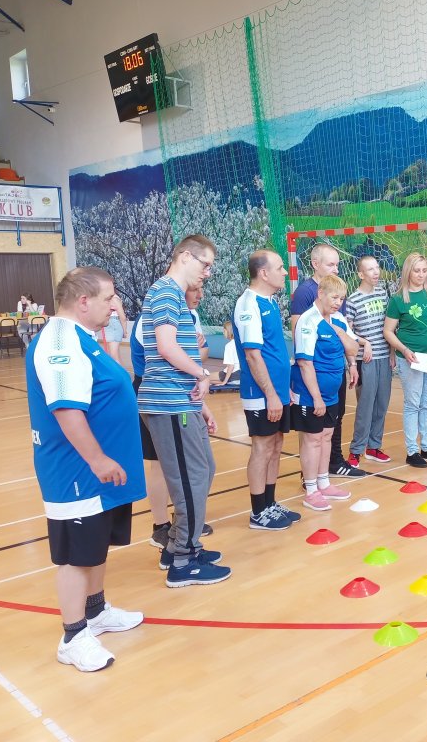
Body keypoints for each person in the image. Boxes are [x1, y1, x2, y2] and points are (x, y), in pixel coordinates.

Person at [26, 267, 146, 672]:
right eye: (108, 298)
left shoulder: (83, 338)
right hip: (76, 471)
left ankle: (95, 612)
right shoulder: (59, 341)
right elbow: (66, 409)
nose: (114, 306)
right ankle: (73, 636)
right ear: (83, 302)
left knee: (95, 546)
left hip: (99, 473)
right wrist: (97, 459)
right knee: (76, 557)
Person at [138, 234, 230, 588]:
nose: (208, 272)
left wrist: (200, 404)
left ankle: (179, 544)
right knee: (190, 479)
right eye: (206, 264)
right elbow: (166, 347)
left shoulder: (177, 296)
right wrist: (202, 373)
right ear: (186, 257)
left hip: (183, 401)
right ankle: (182, 561)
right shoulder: (165, 292)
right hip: (167, 404)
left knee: (204, 470)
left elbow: (179, 355)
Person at [233, 250, 301, 530]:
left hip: (278, 391)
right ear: (263, 273)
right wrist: (271, 394)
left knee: (276, 444)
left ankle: (270, 503)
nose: (285, 272)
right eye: (280, 267)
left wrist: (284, 390)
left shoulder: (270, 302)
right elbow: (253, 355)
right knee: (262, 447)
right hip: (260, 393)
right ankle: (258, 512)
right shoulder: (248, 304)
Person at [290, 242, 366, 478]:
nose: (336, 269)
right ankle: (309, 477)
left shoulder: (337, 295)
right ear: (315, 264)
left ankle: (332, 464)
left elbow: (345, 335)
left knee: (335, 419)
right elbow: (299, 334)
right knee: (312, 432)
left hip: (335, 371)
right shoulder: (305, 293)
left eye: (337, 265)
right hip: (314, 374)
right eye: (331, 264)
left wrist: (351, 364)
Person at [292, 274, 359, 511]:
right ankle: (311, 490)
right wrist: (316, 397)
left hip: (332, 393)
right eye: (334, 297)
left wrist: (339, 332)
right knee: (312, 439)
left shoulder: (338, 319)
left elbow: (353, 347)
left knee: (327, 436)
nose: (338, 302)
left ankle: (324, 482)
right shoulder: (308, 321)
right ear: (320, 294)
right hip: (311, 393)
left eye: (341, 298)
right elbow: (305, 363)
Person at [384, 252, 427, 468]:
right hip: (411, 358)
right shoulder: (398, 299)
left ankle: (426, 446)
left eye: (424, 270)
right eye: (416, 270)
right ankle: (412, 450)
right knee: (413, 403)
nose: (421, 274)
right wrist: (404, 350)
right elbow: (388, 331)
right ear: (408, 271)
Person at [343, 255, 394, 467]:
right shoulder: (352, 300)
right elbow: (347, 332)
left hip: (385, 358)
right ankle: (356, 450)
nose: (376, 272)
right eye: (370, 269)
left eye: (377, 267)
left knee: (382, 404)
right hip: (366, 360)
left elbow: (390, 326)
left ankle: (373, 447)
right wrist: (364, 343)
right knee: (365, 406)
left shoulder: (383, 293)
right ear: (360, 274)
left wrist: (392, 352)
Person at [99, 296, 127, 363]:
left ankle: (117, 370)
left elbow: (122, 317)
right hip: (110, 324)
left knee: (114, 357)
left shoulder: (114, 299)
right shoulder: (107, 298)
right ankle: (119, 370)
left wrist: (125, 331)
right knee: (114, 355)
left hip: (113, 325)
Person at [186, 284, 209, 362]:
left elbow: (205, 351)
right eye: (194, 290)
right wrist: (192, 350)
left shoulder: (193, 313)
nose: (200, 295)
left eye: (201, 290)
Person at [215, 322, 241, 387]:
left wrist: (224, 382)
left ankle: (227, 381)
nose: (223, 333)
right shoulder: (240, 343)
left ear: (229, 331)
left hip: (234, 375)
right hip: (242, 375)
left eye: (224, 331)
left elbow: (231, 366)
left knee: (205, 378)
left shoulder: (229, 345)